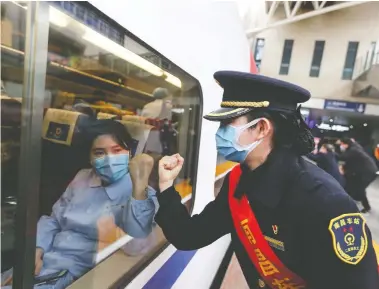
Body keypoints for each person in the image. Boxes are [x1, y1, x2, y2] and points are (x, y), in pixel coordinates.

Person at [155, 71, 379, 289]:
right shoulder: (238, 182)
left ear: (261, 128)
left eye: (227, 125)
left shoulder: (324, 199)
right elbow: (190, 236)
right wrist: (166, 187)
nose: (219, 134)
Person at [1, 119, 158, 289]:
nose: (110, 159)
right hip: (45, 259)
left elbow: (136, 247)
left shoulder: (141, 193)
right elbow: (54, 219)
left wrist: (139, 187)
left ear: (129, 153)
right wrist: (37, 249)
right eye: (99, 152)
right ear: (89, 157)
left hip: (73, 274)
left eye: (117, 150)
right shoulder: (83, 177)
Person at [339, 138, 378, 213]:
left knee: (360, 189)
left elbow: (343, 157)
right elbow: (350, 161)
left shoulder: (353, 150)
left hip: (368, 172)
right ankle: (356, 199)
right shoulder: (354, 147)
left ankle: (366, 207)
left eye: (341, 144)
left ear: (345, 144)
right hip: (366, 170)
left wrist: (331, 153)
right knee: (355, 186)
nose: (341, 146)